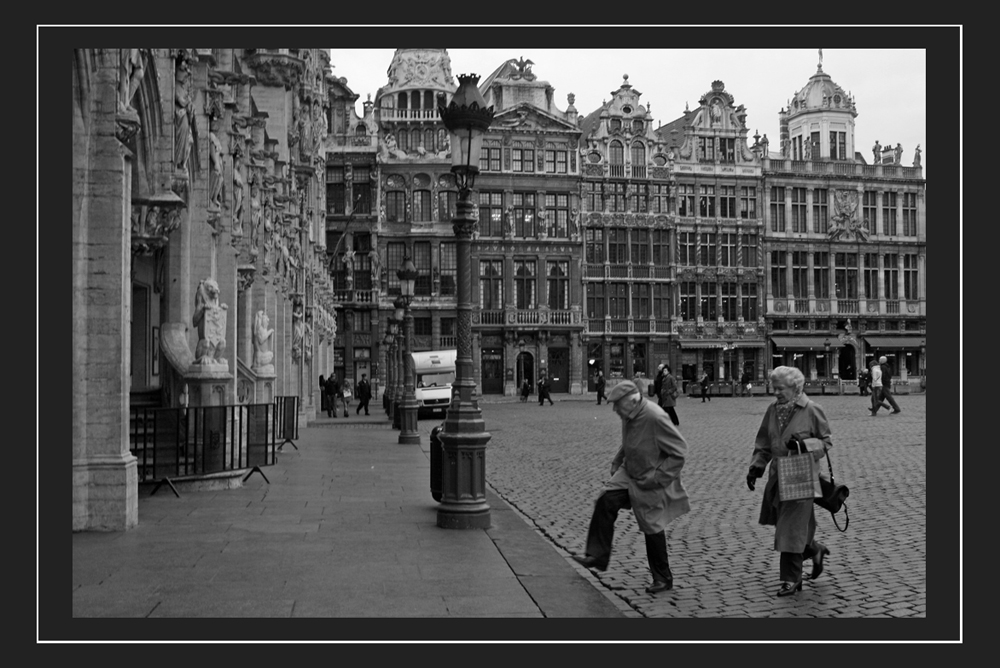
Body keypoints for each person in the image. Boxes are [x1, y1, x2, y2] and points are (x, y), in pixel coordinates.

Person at [573, 380, 690, 594]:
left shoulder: (655, 417)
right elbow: (629, 441)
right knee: (606, 500)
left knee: (652, 526)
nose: (615, 409)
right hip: (629, 471)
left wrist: (657, 478)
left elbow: (679, 451)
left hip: (650, 476)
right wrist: (617, 462)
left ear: (633, 401)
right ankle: (597, 556)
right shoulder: (629, 413)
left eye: (618, 404)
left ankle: (663, 578)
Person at [746, 366, 833, 597]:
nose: (775, 392)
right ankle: (815, 549)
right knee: (791, 525)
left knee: (790, 529)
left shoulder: (813, 410)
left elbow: (826, 442)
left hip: (802, 476)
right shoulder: (772, 410)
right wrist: (756, 467)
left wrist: (806, 445)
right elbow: (764, 442)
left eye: (780, 388)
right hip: (778, 476)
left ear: (796, 388)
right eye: (773, 387)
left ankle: (790, 579)